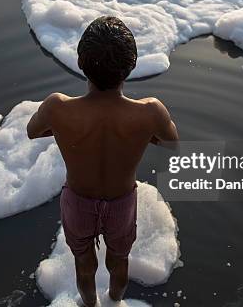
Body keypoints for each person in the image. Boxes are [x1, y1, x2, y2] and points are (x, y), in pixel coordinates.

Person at [27, 16, 179, 306]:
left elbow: (32, 131)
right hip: (121, 203)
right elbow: (172, 141)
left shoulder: (57, 107)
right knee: (119, 260)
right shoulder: (149, 112)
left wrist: (62, 128)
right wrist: (141, 134)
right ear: (131, 65)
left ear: (80, 62)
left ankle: (90, 305)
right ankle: (115, 301)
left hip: (78, 202)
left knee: (83, 263)